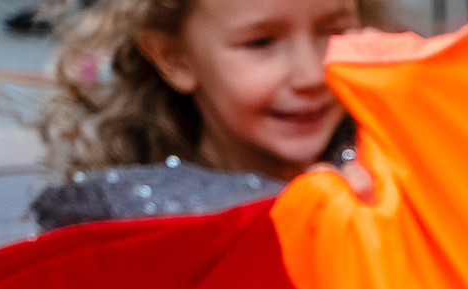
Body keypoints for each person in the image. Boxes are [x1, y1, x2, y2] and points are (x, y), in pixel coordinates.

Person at [29, 0, 377, 233]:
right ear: (175, 58)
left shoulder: (392, 172)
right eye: (261, 42)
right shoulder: (132, 231)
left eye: (335, 33)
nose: (312, 75)